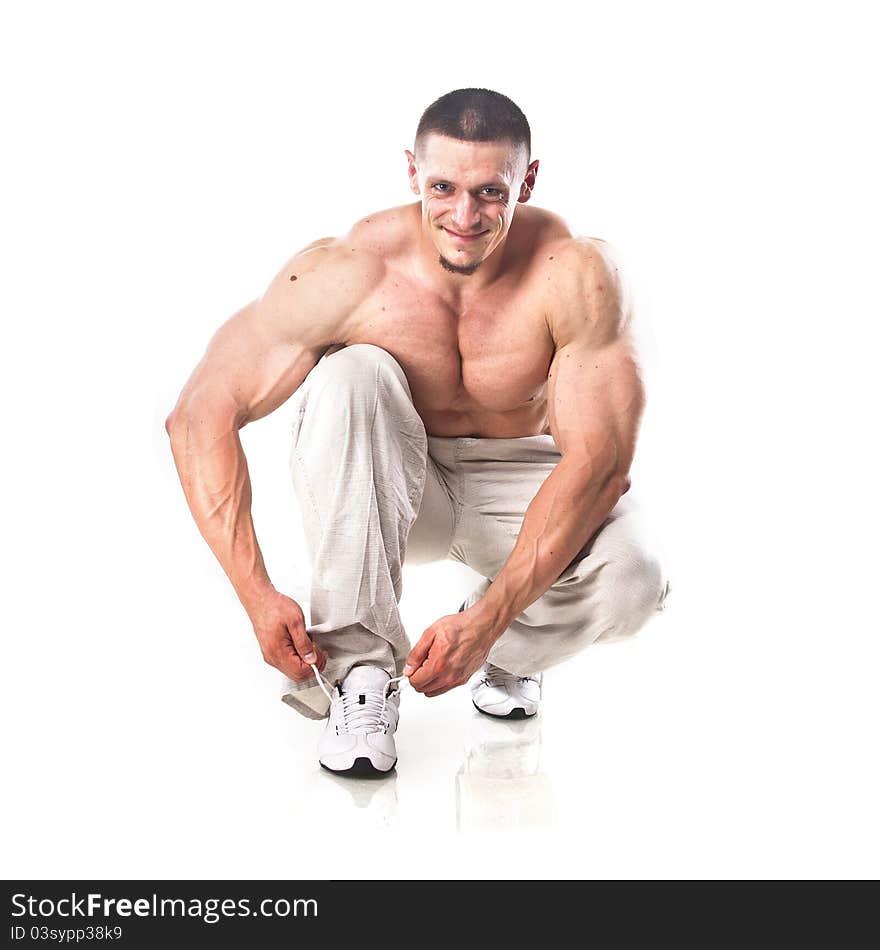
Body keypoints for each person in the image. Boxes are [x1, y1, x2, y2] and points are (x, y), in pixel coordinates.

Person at [166, 88, 670, 777]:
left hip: (520, 483)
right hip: (394, 484)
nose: (465, 216)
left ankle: (509, 649)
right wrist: (257, 595)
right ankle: (361, 676)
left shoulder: (576, 275)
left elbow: (602, 464)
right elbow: (199, 413)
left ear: (527, 180)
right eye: (444, 187)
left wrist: (490, 618)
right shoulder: (349, 271)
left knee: (636, 579)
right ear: (412, 172)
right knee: (354, 375)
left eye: (491, 192)